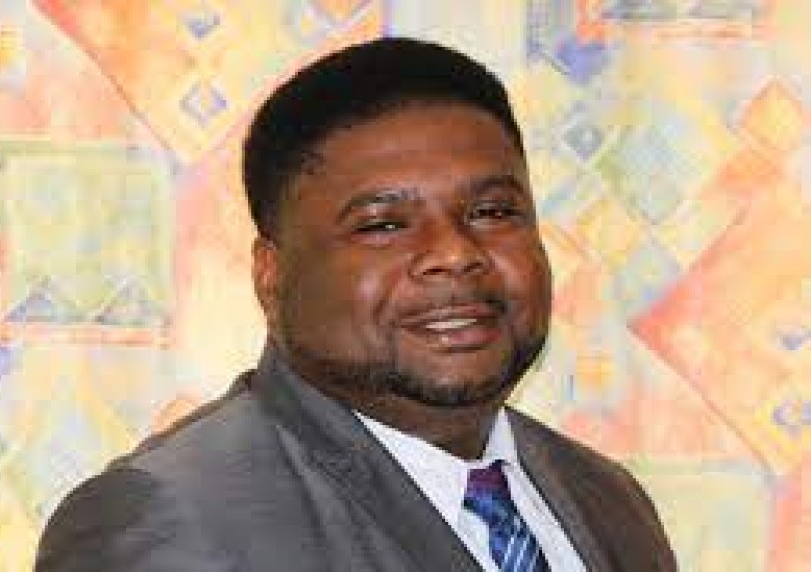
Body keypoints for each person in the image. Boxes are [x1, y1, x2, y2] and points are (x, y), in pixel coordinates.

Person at [36, 37, 677, 571]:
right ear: (271, 275)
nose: (455, 253)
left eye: (492, 212)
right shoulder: (170, 523)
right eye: (383, 225)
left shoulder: (606, 498)